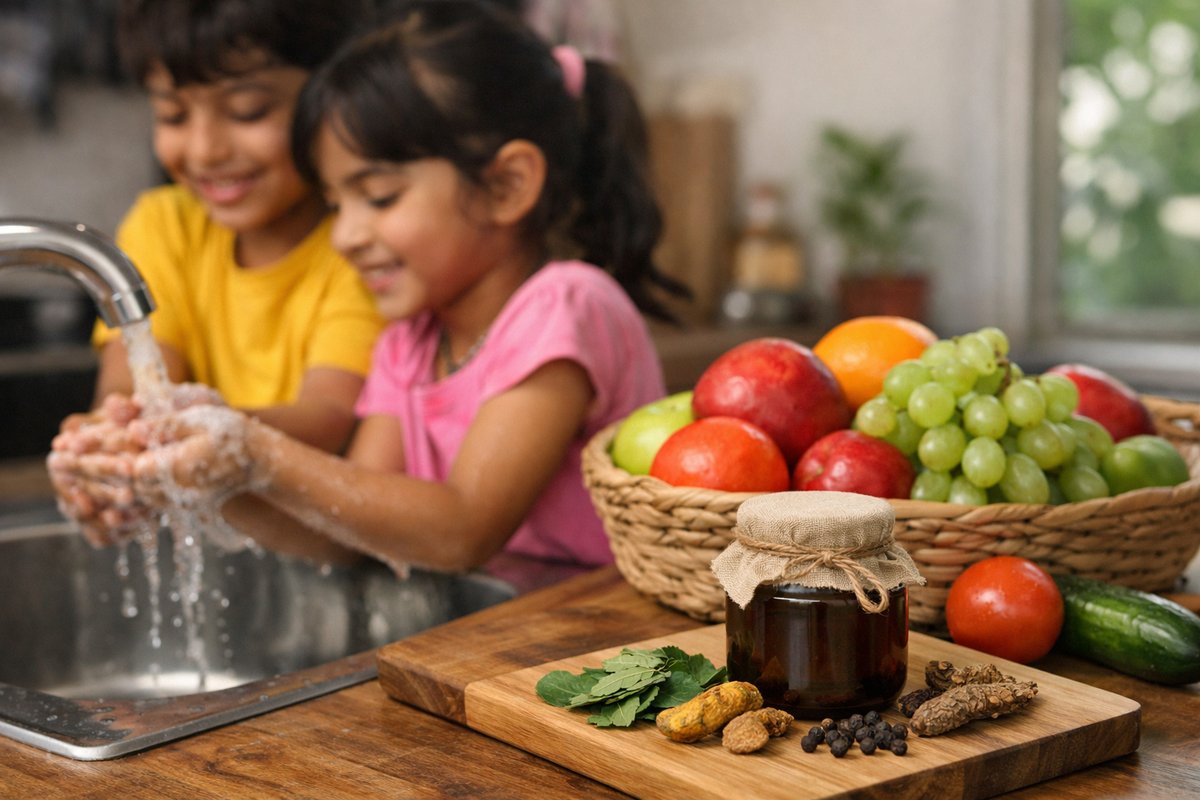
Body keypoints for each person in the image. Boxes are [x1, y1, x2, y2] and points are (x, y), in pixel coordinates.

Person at [49, 0, 686, 572]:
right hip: (504, 649)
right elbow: (346, 530)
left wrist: (252, 452)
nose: (346, 234)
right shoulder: (409, 342)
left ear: (507, 185)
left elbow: (463, 528)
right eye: (335, 201)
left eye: (378, 197)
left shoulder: (566, 306)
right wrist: (194, 476)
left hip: (610, 655)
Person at [78, 0, 385, 454]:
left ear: (336, 97)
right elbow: (132, 384)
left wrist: (199, 429)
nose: (206, 151)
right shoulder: (165, 224)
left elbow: (329, 416)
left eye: (248, 110)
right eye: (173, 115)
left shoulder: (362, 245)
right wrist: (110, 437)